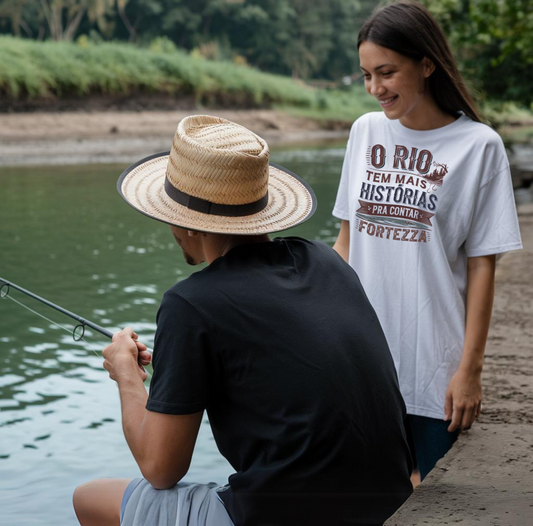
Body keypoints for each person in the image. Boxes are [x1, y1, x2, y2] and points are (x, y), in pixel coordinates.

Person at [72, 114, 413, 526]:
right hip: (389, 501)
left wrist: (126, 374)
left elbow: (160, 468)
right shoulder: (326, 260)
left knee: (89, 500)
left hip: (287, 516)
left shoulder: (190, 303)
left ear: (186, 222)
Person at [332, 0, 522, 480]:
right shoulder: (365, 132)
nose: (375, 88)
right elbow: (346, 245)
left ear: (427, 65)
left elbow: (482, 266)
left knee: (436, 499)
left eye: (387, 73)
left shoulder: (480, 146)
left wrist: (470, 370)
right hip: (363, 364)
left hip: (435, 370)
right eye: (366, 75)